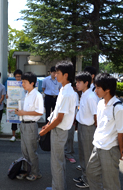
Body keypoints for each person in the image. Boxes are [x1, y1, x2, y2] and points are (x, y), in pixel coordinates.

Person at [86, 73, 123, 190]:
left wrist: (120, 150)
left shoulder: (118, 108)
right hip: (97, 146)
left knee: (110, 183)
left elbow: (122, 133)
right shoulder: (100, 103)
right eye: (95, 87)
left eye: (98, 88)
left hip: (110, 149)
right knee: (90, 172)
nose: (95, 91)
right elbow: (100, 125)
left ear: (108, 89)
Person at [39, 60, 76, 190]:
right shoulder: (64, 90)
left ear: (66, 75)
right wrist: (48, 123)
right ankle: (58, 186)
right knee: (58, 162)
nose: (55, 75)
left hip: (59, 130)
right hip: (57, 129)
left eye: (58, 73)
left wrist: (46, 130)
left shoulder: (66, 93)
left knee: (57, 162)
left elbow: (60, 118)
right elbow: (56, 113)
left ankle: (58, 188)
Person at [15, 72, 44, 181]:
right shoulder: (27, 94)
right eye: (22, 82)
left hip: (31, 126)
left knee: (31, 151)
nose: (22, 84)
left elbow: (40, 112)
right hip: (24, 124)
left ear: (32, 83)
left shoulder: (37, 95)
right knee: (24, 151)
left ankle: (36, 173)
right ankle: (26, 171)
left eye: (25, 82)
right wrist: (21, 112)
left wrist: (24, 113)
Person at [73, 72, 98, 188]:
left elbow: (96, 116)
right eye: (76, 82)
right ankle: (84, 176)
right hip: (82, 127)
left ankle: (89, 180)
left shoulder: (91, 97)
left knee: (88, 154)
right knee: (82, 153)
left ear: (86, 83)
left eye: (79, 82)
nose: (76, 84)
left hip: (89, 128)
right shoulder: (83, 94)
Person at [64, 83, 79, 164]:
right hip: (63, 119)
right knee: (64, 137)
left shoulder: (74, 94)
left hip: (70, 118)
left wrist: (73, 119)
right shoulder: (62, 92)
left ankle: (69, 154)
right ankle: (65, 153)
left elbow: (75, 107)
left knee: (70, 137)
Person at [7, 69, 23, 142]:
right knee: (14, 119)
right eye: (16, 77)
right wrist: (7, 96)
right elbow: (9, 94)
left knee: (22, 120)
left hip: (22, 105)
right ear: (14, 77)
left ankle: (23, 135)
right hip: (14, 105)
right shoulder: (11, 85)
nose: (18, 78)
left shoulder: (24, 84)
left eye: (19, 76)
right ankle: (13, 136)